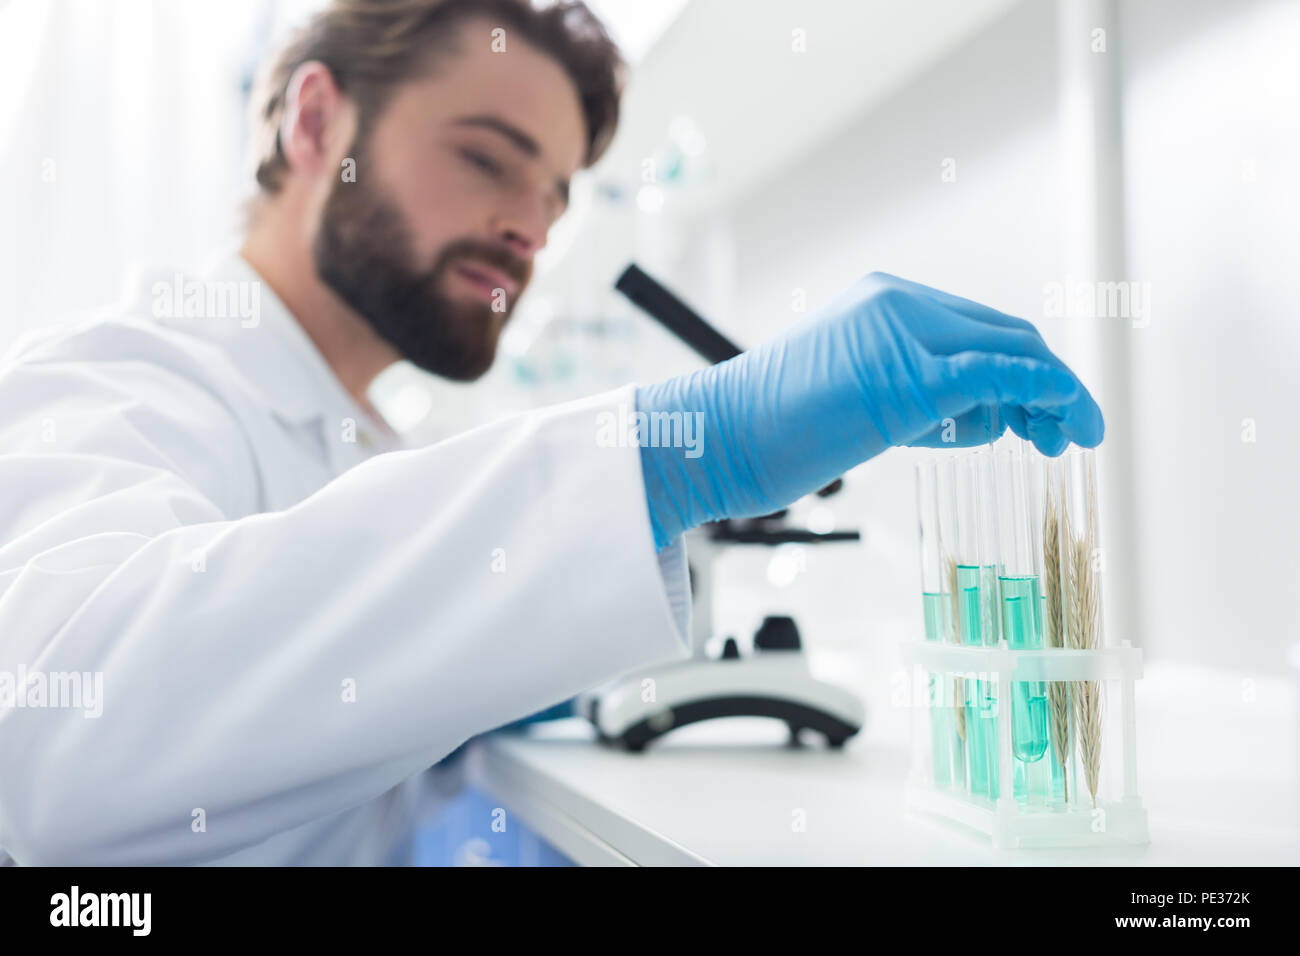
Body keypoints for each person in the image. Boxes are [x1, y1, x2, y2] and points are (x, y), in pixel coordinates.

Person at [0, 0, 1102, 865]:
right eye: (487, 156)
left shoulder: (368, 447)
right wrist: (687, 450)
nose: (531, 224)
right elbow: (56, 757)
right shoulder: (118, 381)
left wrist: (519, 653)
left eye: (557, 193)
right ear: (316, 119)